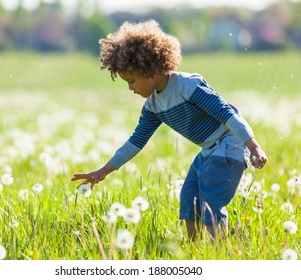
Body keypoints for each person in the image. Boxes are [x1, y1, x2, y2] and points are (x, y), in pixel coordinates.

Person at [71, 20, 268, 241]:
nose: (130, 88)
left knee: (210, 201)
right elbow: (136, 141)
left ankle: (218, 252)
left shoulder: (187, 86)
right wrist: (104, 171)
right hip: (208, 150)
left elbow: (227, 114)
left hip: (230, 143)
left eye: (132, 81)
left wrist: (253, 146)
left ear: (150, 69)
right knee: (189, 198)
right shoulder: (153, 105)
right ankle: (195, 250)